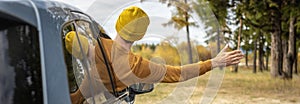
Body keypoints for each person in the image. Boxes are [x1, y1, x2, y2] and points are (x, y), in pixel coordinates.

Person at [65, 6, 244, 104]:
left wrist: (72, 41)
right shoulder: (137, 66)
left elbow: (74, 40)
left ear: (119, 25)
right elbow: (179, 73)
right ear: (140, 35)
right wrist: (213, 62)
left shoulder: (94, 47)